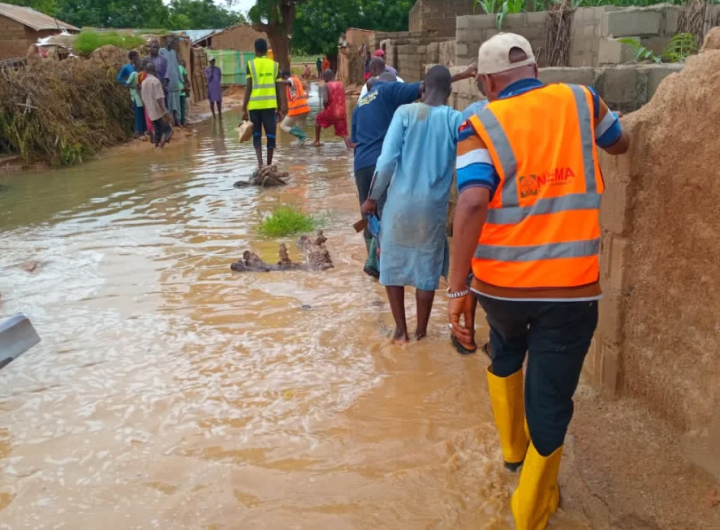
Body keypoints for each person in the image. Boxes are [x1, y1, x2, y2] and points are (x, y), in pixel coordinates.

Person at [447, 33, 629, 530]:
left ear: (485, 81)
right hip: (571, 289)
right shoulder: (581, 99)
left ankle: (511, 453)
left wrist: (457, 288)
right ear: (534, 68)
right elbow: (621, 141)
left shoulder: (477, 122)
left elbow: (472, 200)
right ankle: (530, 513)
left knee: (506, 351)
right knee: (550, 397)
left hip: (500, 289)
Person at [360, 66, 462, 343]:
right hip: (433, 208)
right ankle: (422, 332)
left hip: (399, 205)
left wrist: (371, 199)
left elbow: (387, 161)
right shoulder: (455, 119)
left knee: (392, 264)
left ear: (422, 88)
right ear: (450, 92)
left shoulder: (405, 113)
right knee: (427, 267)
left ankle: (401, 332)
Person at [351, 63, 476, 279]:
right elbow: (429, 86)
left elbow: (352, 142)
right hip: (380, 163)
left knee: (369, 213)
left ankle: (373, 263)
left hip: (360, 163)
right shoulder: (390, 89)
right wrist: (463, 74)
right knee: (386, 212)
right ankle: (381, 261)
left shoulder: (361, 104)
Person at [242, 38, 282, 169]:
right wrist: (280, 108)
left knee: (257, 135)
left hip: (254, 106)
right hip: (270, 106)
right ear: (266, 50)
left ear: (255, 50)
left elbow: (248, 87)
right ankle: (269, 165)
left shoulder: (250, 65)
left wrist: (244, 107)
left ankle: (260, 164)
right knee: (271, 135)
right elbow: (278, 89)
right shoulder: (275, 65)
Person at [313, 69, 351, 148]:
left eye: (323, 77)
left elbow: (326, 100)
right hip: (341, 113)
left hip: (331, 112)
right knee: (344, 134)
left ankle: (317, 141)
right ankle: (350, 148)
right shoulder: (341, 84)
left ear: (325, 77)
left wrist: (325, 108)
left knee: (317, 120)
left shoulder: (326, 85)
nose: (323, 79)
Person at [141, 62, 172, 149]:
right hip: (158, 111)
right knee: (168, 129)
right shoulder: (155, 81)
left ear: (146, 71)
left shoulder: (143, 83)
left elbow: (143, 99)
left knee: (157, 131)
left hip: (150, 111)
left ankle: (156, 148)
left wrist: (147, 110)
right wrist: (164, 111)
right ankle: (160, 148)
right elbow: (159, 98)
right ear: (154, 70)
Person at [279, 70, 310, 145]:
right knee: (299, 128)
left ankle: (304, 136)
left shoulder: (291, 79)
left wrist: (276, 81)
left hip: (297, 109)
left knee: (283, 125)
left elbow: (288, 82)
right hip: (304, 108)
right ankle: (301, 143)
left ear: (285, 77)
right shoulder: (297, 80)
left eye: (283, 78)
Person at [159, 37, 181, 125]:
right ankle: (170, 122)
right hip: (167, 81)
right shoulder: (161, 51)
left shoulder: (173, 52)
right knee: (169, 103)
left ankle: (178, 121)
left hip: (175, 81)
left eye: (173, 43)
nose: (171, 45)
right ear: (166, 42)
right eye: (170, 43)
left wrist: (181, 79)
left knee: (177, 103)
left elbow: (176, 66)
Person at [125, 57, 147, 137]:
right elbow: (127, 84)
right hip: (136, 97)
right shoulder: (134, 74)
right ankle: (139, 130)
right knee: (138, 114)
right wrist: (135, 86)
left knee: (141, 113)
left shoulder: (142, 74)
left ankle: (143, 130)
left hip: (141, 97)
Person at [178, 59, 190, 126]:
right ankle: (181, 121)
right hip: (178, 92)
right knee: (181, 107)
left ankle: (183, 121)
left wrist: (185, 87)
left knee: (183, 107)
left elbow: (187, 82)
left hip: (182, 92)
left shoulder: (181, 69)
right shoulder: (179, 68)